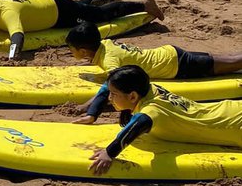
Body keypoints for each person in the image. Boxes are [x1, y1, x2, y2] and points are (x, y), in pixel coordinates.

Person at [65, 21, 242, 123]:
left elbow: (111, 84)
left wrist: (89, 108)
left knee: (232, 62)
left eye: (71, 49)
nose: (70, 52)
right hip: (170, 54)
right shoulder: (106, 45)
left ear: (83, 51)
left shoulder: (109, 59)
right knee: (225, 59)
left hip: (176, 65)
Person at [88, 65, 242, 175]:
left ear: (133, 96)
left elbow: (140, 122)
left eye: (114, 94)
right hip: (230, 109)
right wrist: (93, 112)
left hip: (236, 125)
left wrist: (109, 153)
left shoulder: (152, 110)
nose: (110, 98)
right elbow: (111, 83)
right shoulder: (150, 88)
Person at [0, 0, 163, 60]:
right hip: (47, 0)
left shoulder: (7, 13)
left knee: (97, 15)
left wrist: (12, 57)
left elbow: (17, 36)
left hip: (60, 12)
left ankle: (143, 5)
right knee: (82, 7)